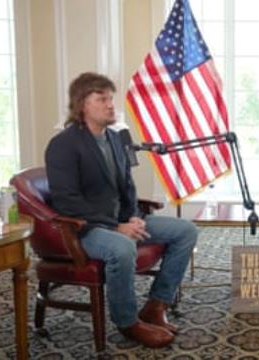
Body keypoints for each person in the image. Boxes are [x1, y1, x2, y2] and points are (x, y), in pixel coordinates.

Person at [45, 72, 197, 348]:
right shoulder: (62, 145)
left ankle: (156, 305)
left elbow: (126, 186)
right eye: (101, 98)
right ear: (82, 105)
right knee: (121, 247)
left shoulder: (116, 139)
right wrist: (116, 227)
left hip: (119, 220)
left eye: (111, 98)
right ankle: (128, 322)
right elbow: (68, 202)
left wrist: (133, 217)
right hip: (86, 229)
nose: (110, 104)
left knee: (185, 230)